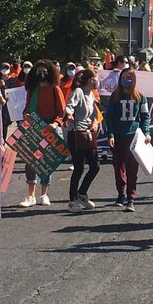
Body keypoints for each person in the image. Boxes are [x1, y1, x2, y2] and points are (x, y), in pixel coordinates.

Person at [18, 60, 66, 208]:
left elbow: (62, 111)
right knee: (30, 161)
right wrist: (26, 115)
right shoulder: (32, 90)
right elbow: (26, 109)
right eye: (38, 71)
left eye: (44, 71)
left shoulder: (54, 89)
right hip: (34, 127)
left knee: (46, 162)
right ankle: (30, 195)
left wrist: (55, 123)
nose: (41, 74)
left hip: (49, 127)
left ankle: (44, 194)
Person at [106, 68, 151, 212]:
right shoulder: (115, 96)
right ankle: (121, 194)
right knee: (118, 167)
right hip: (119, 136)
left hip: (134, 137)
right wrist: (111, 135)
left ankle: (131, 197)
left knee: (132, 169)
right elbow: (110, 117)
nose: (127, 80)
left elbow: (145, 117)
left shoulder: (140, 97)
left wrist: (147, 133)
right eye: (124, 77)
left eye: (130, 77)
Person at [64, 69, 101, 213]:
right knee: (79, 168)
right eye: (95, 78)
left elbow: (94, 115)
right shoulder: (78, 92)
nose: (97, 81)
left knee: (95, 166)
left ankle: (82, 193)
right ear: (90, 79)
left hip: (88, 134)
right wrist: (69, 114)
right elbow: (69, 106)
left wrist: (95, 122)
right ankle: (72, 200)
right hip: (76, 135)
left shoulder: (91, 94)